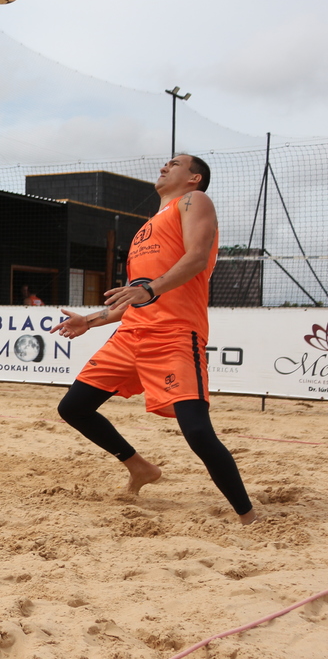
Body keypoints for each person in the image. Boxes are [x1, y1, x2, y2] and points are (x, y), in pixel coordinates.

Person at [50, 154, 256, 526]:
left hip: (175, 334)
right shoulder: (147, 226)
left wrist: (149, 289)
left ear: (194, 178)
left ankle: (249, 516)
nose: (164, 167)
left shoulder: (194, 201)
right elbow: (136, 297)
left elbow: (196, 258)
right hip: (131, 335)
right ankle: (140, 467)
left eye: (174, 164)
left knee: (197, 430)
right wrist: (90, 321)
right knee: (74, 408)